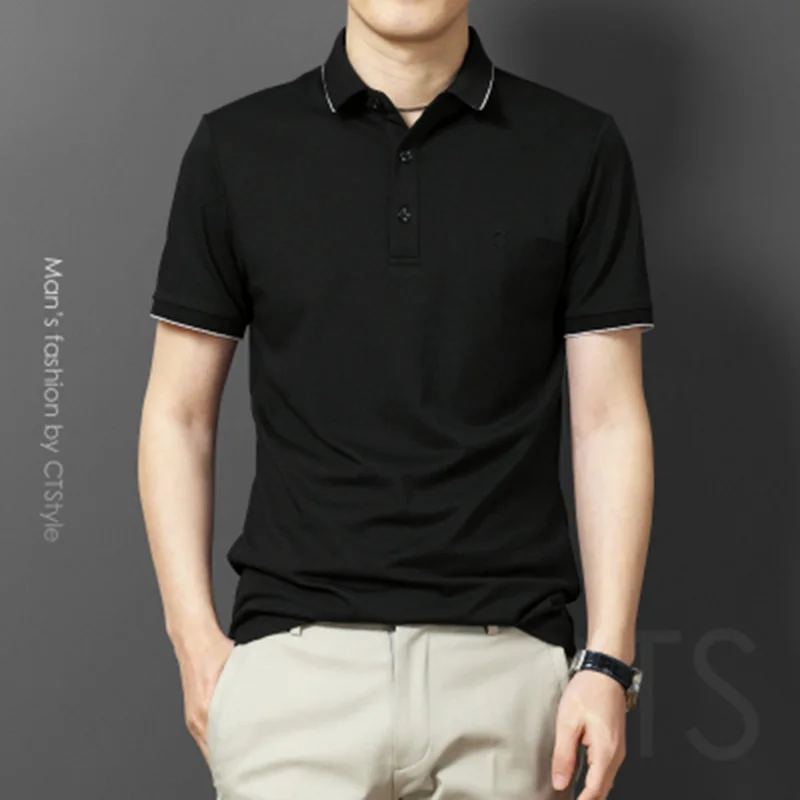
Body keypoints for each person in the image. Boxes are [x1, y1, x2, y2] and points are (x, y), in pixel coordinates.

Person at [138, 1, 655, 798]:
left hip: (508, 676)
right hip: (294, 675)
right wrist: (193, 641)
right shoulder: (237, 146)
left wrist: (608, 660)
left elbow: (609, 421)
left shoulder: (577, 147)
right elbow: (177, 414)